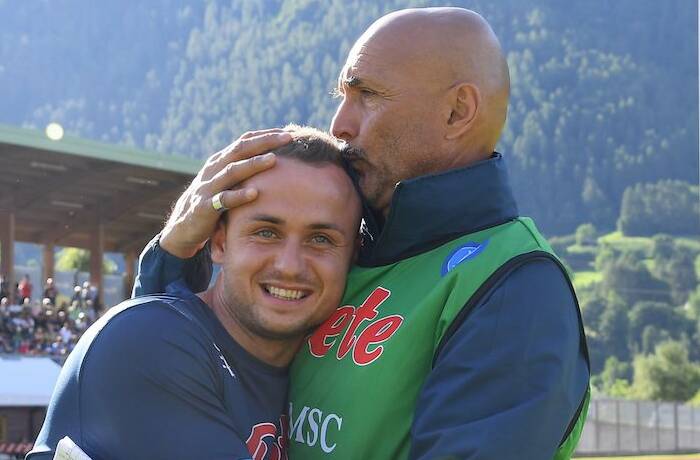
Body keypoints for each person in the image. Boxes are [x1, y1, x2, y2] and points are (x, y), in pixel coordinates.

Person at [134, 7, 590, 459]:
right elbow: (166, 384)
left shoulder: (514, 287)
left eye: (367, 95)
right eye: (342, 96)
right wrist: (173, 255)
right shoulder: (339, 251)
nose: (340, 125)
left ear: (457, 112)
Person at [27, 128, 362, 460]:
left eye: (321, 239)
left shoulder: (322, 372)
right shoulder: (146, 340)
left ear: (353, 258)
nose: (289, 266)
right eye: (266, 232)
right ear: (219, 243)